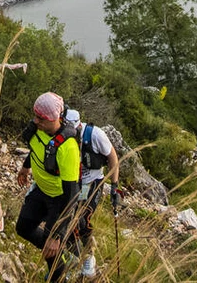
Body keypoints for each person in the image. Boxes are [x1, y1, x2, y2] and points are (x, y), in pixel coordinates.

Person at [16, 92, 82, 282]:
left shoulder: (68, 147)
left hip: (59, 199)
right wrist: (25, 167)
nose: (36, 121)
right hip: (41, 190)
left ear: (55, 118)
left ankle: (58, 275)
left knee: (50, 246)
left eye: (41, 118)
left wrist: (57, 234)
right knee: (23, 227)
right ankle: (61, 255)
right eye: (35, 115)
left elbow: (70, 194)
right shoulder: (39, 129)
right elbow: (37, 148)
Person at [65, 108, 122, 278]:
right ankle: (72, 257)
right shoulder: (63, 135)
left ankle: (89, 256)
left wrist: (114, 186)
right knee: (67, 218)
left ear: (79, 125)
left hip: (92, 183)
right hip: (72, 182)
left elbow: (112, 157)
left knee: (83, 217)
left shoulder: (95, 135)